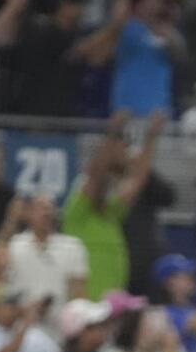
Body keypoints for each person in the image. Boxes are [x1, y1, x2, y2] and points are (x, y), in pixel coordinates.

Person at [61, 111, 164, 301]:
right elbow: (96, 175)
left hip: (112, 307)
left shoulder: (110, 213)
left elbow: (137, 180)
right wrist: (113, 133)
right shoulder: (77, 213)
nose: (105, 187)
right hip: (84, 307)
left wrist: (151, 137)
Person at [6, 195, 89, 321]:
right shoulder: (13, 245)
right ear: (27, 213)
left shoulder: (73, 246)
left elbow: (78, 292)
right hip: (18, 322)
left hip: (57, 325)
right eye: (40, 208)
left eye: (50, 208)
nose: (46, 212)